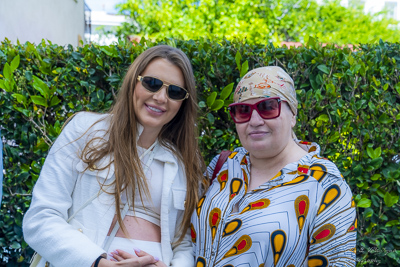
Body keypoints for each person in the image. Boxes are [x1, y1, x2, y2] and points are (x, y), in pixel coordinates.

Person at [23, 45, 205, 267]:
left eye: (174, 92)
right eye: (152, 83)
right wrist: (97, 263)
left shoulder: (185, 160)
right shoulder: (84, 130)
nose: (160, 97)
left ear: (183, 102)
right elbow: (40, 219)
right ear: (133, 82)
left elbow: (183, 243)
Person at [191, 66, 356, 267]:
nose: (254, 121)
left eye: (268, 107)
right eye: (243, 111)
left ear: (293, 114)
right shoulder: (223, 165)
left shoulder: (325, 185)